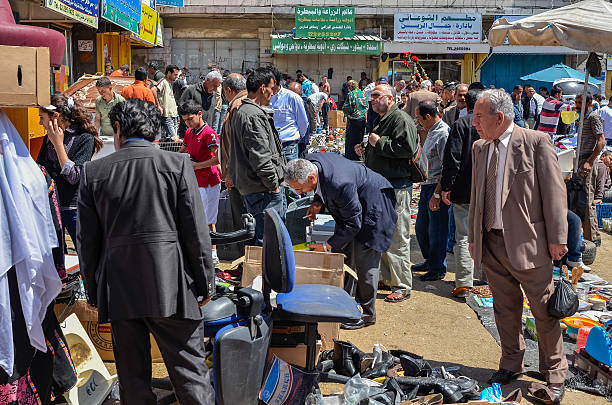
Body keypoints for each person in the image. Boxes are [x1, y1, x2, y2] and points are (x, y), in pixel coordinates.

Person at [77, 99, 215, 404]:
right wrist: (206, 283)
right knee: (191, 374)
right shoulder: (176, 165)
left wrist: (94, 291)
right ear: (153, 130)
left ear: (117, 130)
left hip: (120, 287)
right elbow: (196, 231)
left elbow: (87, 241)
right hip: (173, 285)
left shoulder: (93, 172)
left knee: (133, 380)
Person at [468, 90, 568, 404]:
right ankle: (511, 363)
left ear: (500, 117)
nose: (474, 123)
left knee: (544, 313)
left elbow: (555, 193)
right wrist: (474, 237)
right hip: (492, 242)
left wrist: (558, 238)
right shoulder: (480, 148)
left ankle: (554, 375)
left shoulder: (536, 142)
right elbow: (476, 197)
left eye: (479, 116)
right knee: (505, 309)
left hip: (531, 245)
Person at [285, 156, 397, 330]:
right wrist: (317, 203)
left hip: (375, 205)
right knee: (347, 254)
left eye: (300, 188)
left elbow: (353, 224)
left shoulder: (339, 184)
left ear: (311, 178)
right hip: (356, 205)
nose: (299, 193)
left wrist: (325, 246)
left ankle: (366, 314)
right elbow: (322, 188)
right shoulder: (311, 164)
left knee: (365, 259)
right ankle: (346, 301)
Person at [354, 84, 418, 303]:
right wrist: (367, 148)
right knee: (383, 233)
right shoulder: (382, 118)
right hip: (383, 185)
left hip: (397, 187)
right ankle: (389, 278)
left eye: (376, 95)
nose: (372, 100)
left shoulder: (400, 119)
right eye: (371, 96)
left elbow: (407, 148)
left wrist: (378, 142)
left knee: (398, 235)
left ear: (390, 99)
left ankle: (401, 285)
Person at [230, 67, 286, 245]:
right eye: (271, 88)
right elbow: (260, 158)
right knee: (267, 244)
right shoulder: (252, 115)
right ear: (263, 88)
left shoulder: (245, 111)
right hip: (262, 191)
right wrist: (273, 186)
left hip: (256, 189)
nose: (272, 93)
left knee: (259, 243)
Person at [37, 94, 102, 244]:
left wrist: (58, 145)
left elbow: (74, 177)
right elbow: (41, 169)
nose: (40, 123)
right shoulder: (48, 138)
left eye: (42, 117)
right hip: (52, 207)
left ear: (56, 116)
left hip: (73, 208)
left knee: (84, 252)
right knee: (58, 255)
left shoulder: (85, 139)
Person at [439, 89, 482, 298]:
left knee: (464, 236)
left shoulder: (463, 124)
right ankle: (484, 278)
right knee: (485, 234)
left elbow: (452, 159)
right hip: (486, 191)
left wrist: (446, 187)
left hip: (464, 190)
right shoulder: (492, 125)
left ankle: (464, 283)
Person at [178, 100, 222, 266]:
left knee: (208, 220)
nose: (188, 123)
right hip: (193, 182)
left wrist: (197, 165)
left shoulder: (209, 133)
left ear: (200, 114)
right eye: (185, 120)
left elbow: (217, 158)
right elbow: (182, 151)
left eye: (190, 119)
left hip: (209, 181)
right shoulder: (190, 133)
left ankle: (213, 253)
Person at [413, 100, 450, 281]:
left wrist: (438, 192)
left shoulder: (442, 133)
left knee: (437, 230)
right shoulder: (431, 131)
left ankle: (437, 268)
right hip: (427, 184)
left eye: (419, 118)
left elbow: (447, 167)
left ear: (428, 117)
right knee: (422, 228)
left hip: (435, 186)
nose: (418, 122)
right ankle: (430, 260)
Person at [269, 66, 309, 207]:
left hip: (288, 145)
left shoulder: (291, 97)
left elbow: (303, 122)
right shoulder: (265, 98)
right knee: (278, 183)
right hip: (272, 147)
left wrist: (298, 137)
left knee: (292, 182)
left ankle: (294, 216)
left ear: (275, 82)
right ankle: (283, 216)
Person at [575, 93, 605, 247]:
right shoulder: (582, 117)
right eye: (576, 102)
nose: (578, 104)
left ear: (589, 102)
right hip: (580, 159)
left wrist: (589, 161)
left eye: (580, 102)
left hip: (588, 160)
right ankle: (589, 236)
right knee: (580, 198)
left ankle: (592, 239)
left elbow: (601, 142)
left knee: (587, 199)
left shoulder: (593, 117)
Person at [220, 73, 248, 232]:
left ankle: (244, 252)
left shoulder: (237, 106)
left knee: (241, 217)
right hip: (244, 172)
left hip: (238, 173)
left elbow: (235, 143)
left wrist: (229, 173)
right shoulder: (248, 102)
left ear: (228, 90)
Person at [180, 70, 222, 137]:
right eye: (214, 86)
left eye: (217, 87)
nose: (215, 89)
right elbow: (181, 109)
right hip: (191, 134)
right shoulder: (191, 90)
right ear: (208, 80)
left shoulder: (213, 95)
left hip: (205, 134)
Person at [342, 79, 368, 161]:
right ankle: (359, 155)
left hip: (353, 121)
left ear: (349, 87)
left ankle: (351, 157)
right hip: (362, 119)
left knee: (351, 140)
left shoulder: (351, 94)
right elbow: (366, 106)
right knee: (359, 139)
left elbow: (347, 107)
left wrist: (346, 114)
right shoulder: (362, 93)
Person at [155, 64, 180, 139]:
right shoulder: (163, 81)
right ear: (169, 73)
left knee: (173, 140)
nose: (177, 76)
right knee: (174, 138)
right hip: (167, 115)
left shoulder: (169, 83)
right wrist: (158, 105)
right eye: (175, 74)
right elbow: (153, 90)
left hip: (173, 115)